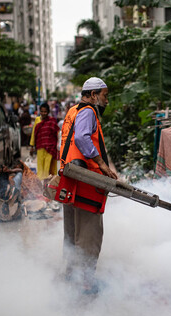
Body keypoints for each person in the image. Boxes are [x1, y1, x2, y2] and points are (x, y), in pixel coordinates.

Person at [60, 77, 117, 295]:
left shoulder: (73, 111)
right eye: (105, 95)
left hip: (71, 178)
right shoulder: (88, 112)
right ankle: (83, 284)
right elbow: (83, 138)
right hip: (86, 180)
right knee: (89, 234)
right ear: (93, 95)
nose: (107, 100)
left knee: (72, 232)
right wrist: (102, 164)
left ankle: (71, 278)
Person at [30, 103, 59, 180]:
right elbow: (34, 133)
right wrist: (32, 146)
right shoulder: (37, 120)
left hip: (50, 148)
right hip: (40, 148)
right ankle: (41, 185)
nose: (43, 113)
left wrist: (58, 146)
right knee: (40, 167)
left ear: (48, 112)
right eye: (42, 111)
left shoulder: (52, 121)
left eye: (45, 111)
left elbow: (56, 134)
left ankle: (47, 185)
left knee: (47, 167)